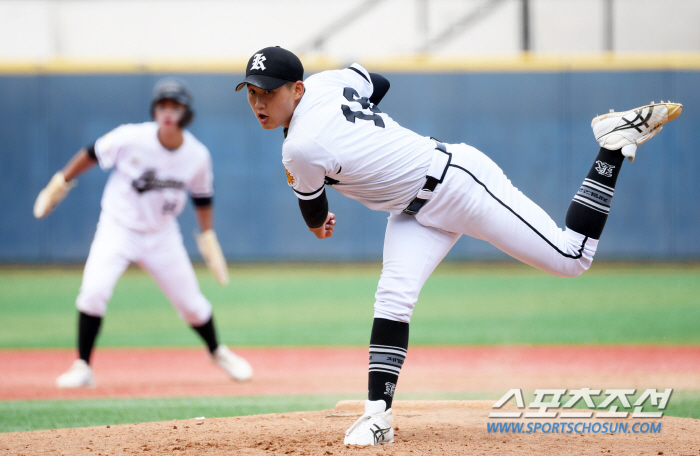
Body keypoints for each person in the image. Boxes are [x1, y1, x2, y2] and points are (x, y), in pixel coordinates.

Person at [236, 46, 682, 445]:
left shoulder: (298, 147)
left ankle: (611, 145)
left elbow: (314, 214)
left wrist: (319, 225)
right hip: (413, 212)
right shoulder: (327, 82)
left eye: (268, 93)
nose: (259, 102)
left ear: (295, 89)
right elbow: (377, 83)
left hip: (457, 184)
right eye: (252, 92)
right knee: (392, 299)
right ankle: (377, 417)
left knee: (572, 258)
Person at [34, 78, 253, 388]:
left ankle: (218, 351)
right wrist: (60, 182)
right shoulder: (131, 137)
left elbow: (202, 197)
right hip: (118, 227)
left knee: (191, 304)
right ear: (154, 110)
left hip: (162, 234)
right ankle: (83, 366)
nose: (167, 112)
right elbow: (91, 153)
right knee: (93, 292)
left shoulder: (197, 155)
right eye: (162, 105)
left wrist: (208, 236)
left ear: (185, 113)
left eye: (174, 106)